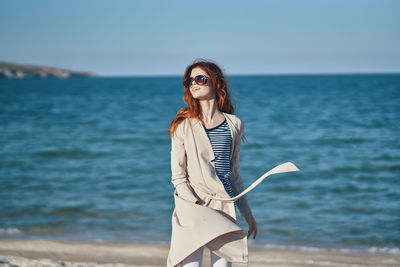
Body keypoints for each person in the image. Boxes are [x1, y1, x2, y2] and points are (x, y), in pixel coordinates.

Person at [167, 59, 257, 267]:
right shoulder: (182, 125)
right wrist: (195, 204)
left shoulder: (234, 124)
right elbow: (178, 176)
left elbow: (233, 175)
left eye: (200, 78)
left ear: (216, 82)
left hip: (224, 206)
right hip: (192, 205)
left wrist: (248, 213)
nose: (193, 84)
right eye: (189, 81)